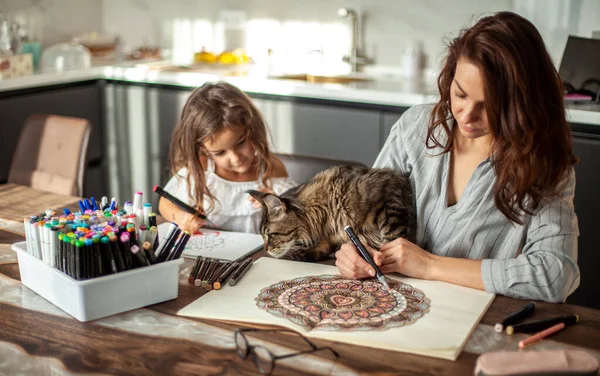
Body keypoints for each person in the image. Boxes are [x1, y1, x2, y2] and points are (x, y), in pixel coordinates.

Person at [335, 11, 580, 303]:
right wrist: (352, 251)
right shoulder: (415, 127)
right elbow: (361, 223)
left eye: (488, 106)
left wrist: (430, 266)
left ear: (520, 105)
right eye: (460, 94)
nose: (466, 115)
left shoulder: (545, 164)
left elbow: (555, 275)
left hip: (479, 321)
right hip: (388, 307)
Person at [159, 82, 296, 233]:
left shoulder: (271, 168)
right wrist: (180, 217)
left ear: (252, 128)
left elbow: (295, 219)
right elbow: (165, 204)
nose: (236, 157)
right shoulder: (202, 169)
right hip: (210, 252)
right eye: (220, 153)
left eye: (241, 142)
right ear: (203, 150)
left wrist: (276, 204)